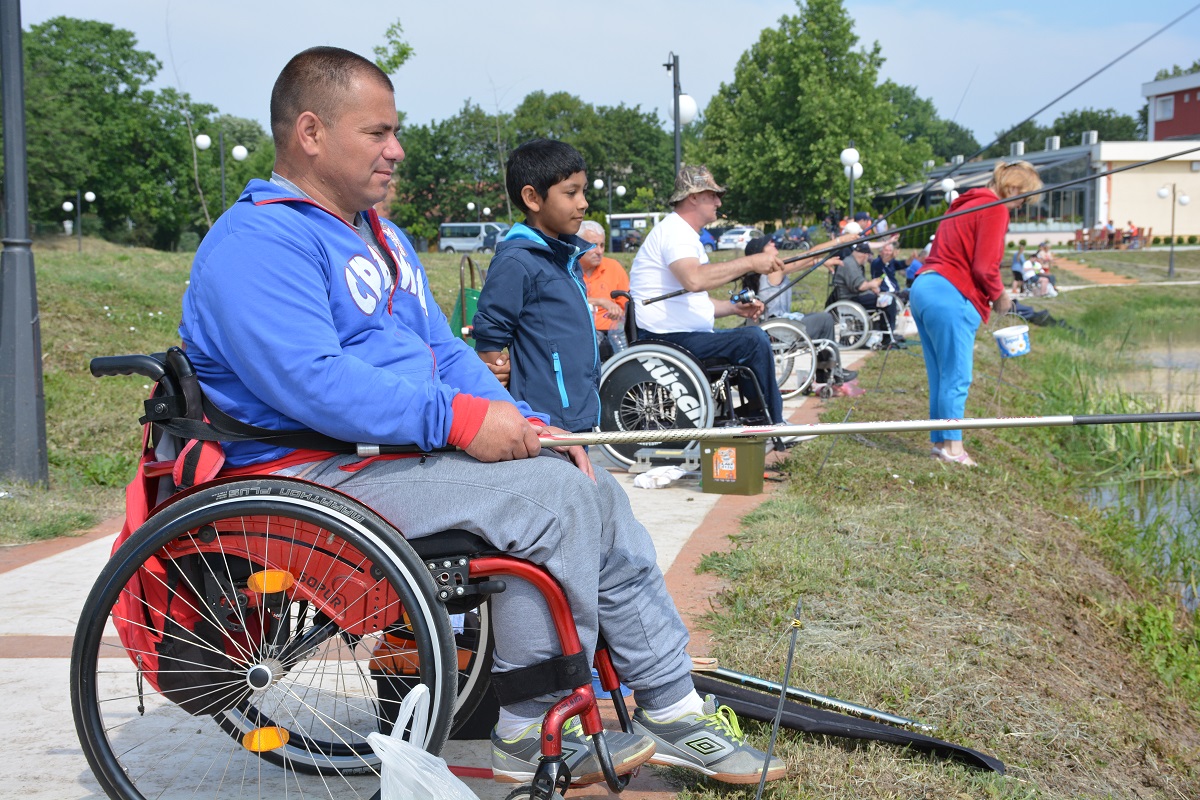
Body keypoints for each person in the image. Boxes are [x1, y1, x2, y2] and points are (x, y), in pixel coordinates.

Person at [178, 47, 785, 787]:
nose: (397, 150)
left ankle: (672, 705)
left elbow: (444, 353)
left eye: (394, 132)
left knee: (586, 482)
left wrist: (520, 417)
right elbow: (314, 384)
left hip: (378, 453)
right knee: (547, 502)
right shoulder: (259, 240)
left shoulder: (380, 236)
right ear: (310, 132)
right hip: (305, 467)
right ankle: (532, 724)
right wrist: (461, 423)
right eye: (377, 133)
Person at [628, 165, 787, 426]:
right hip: (666, 339)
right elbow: (694, 280)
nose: (718, 201)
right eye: (712, 195)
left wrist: (734, 308)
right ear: (692, 196)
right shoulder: (676, 232)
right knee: (753, 340)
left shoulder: (683, 233)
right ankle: (771, 422)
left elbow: (692, 300)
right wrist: (750, 262)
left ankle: (759, 416)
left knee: (751, 338)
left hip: (677, 335)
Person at [909, 160, 1041, 466]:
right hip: (951, 294)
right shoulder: (996, 208)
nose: (1020, 206)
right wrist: (1000, 296)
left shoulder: (964, 202)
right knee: (956, 376)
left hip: (925, 287)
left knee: (940, 375)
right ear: (1013, 189)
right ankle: (953, 449)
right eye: (1023, 199)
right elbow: (984, 266)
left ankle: (941, 442)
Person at [471, 139, 599, 433]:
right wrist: (500, 378)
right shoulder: (517, 261)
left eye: (584, 191)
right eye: (571, 192)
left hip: (579, 415)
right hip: (545, 422)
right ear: (532, 197)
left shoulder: (567, 257)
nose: (583, 202)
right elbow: (489, 336)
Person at [741, 236, 858, 386]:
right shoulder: (773, 271)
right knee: (825, 320)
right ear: (760, 253)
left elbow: (804, 262)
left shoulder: (763, 273)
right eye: (767, 243)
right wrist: (840, 241)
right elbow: (810, 254)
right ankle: (831, 372)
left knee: (821, 318)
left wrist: (820, 261)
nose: (772, 242)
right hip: (780, 330)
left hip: (776, 326)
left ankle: (826, 371)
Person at [831, 241, 903, 348]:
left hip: (856, 297)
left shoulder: (854, 263)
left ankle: (884, 334)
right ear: (865, 255)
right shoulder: (850, 264)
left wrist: (872, 287)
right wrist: (872, 284)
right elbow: (860, 286)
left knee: (886, 299)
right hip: (851, 299)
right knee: (889, 301)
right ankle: (887, 337)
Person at [577, 220, 629, 359]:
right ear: (578, 245)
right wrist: (601, 302)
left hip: (613, 333)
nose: (599, 251)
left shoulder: (614, 267)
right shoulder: (567, 270)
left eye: (602, 245)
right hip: (581, 333)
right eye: (594, 245)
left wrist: (618, 311)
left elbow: (626, 305)